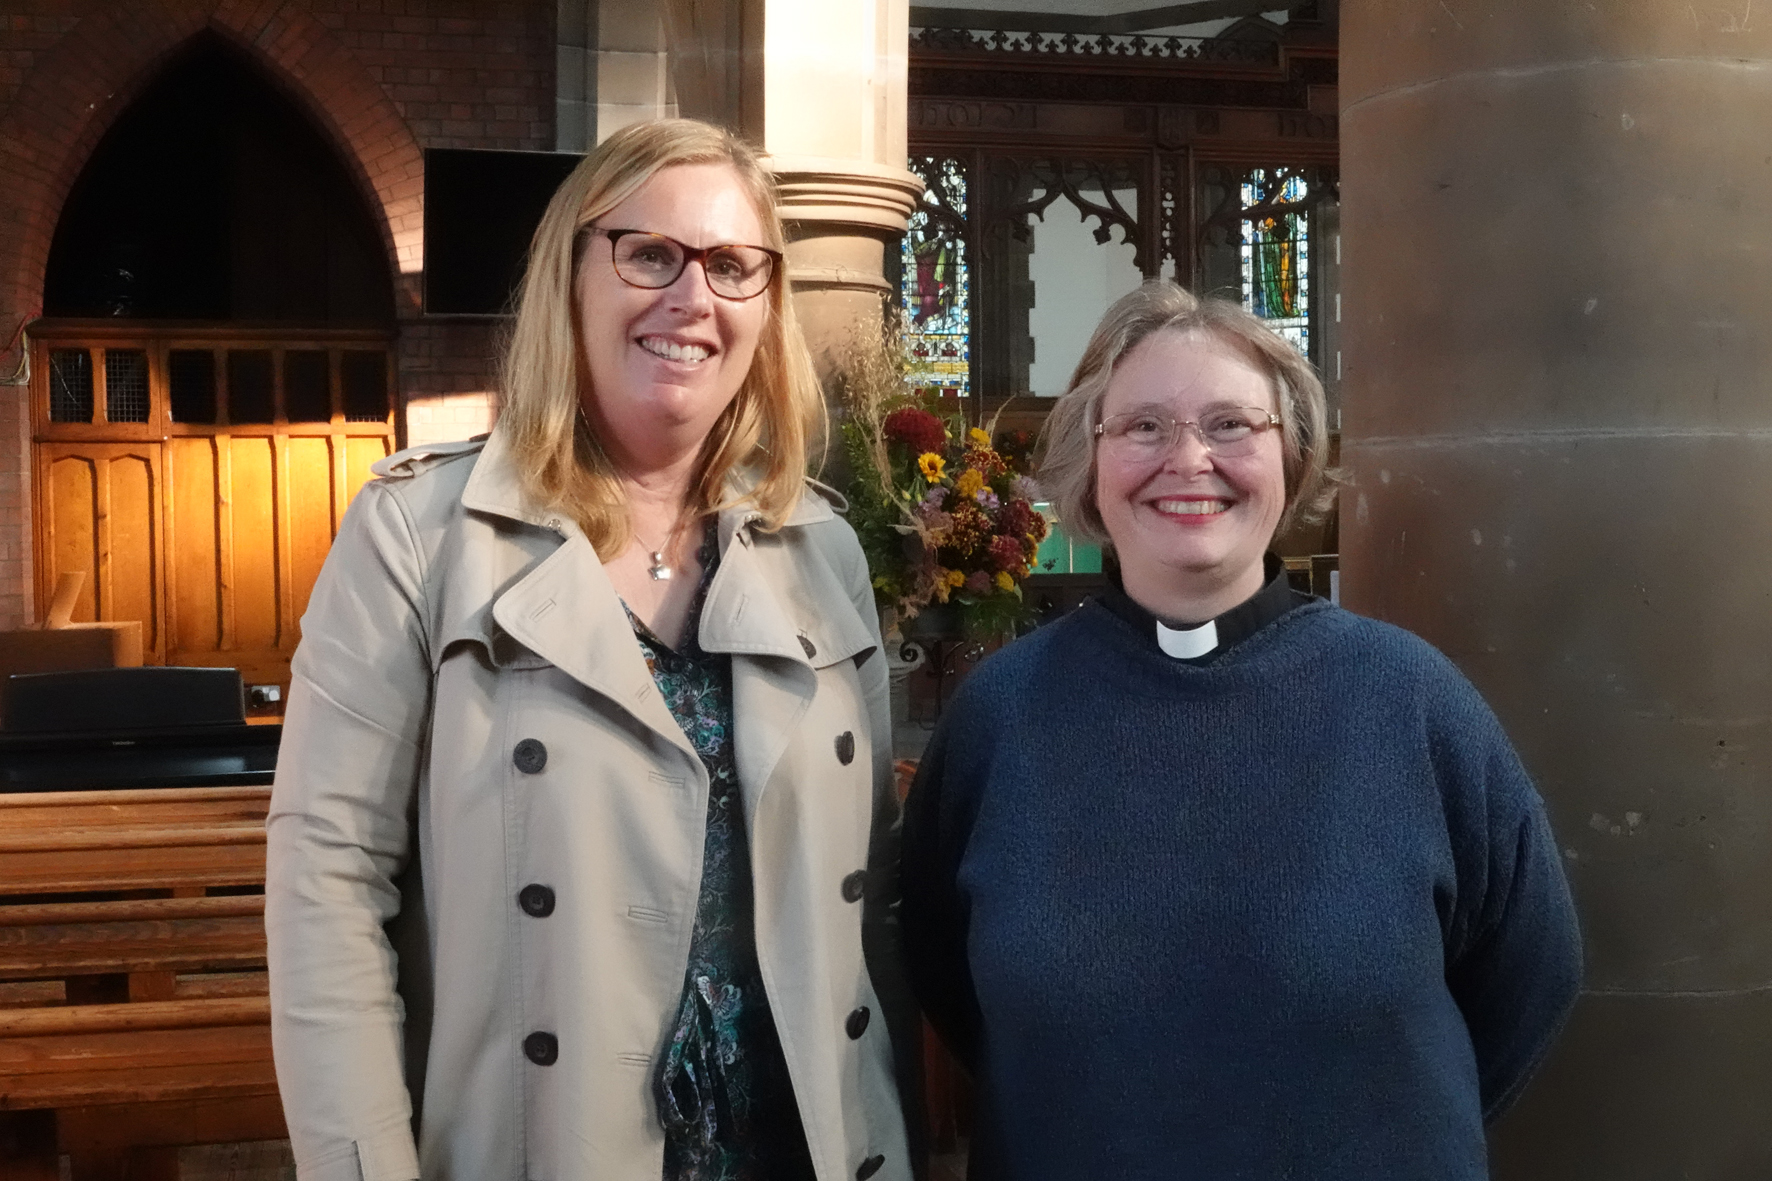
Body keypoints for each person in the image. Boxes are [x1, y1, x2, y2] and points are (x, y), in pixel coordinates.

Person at [267, 119, 915, 1181]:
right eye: (648, 253)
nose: (690, 298)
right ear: (573, 273)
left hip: (792, 1141)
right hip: (544, 1135)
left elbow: (868, 896)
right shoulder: (422, 532)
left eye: (730, 265)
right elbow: (327, 890)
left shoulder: (820, 548)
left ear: (767, 304)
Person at [900, 282, 1581, 1180]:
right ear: (1090, 462)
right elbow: (947, 976)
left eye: (1231, 424)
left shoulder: (1411, 698)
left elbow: (1530, 973)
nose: (1189, 458)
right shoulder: (1002, 711)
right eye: (1144, 426)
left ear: (1290, 456)